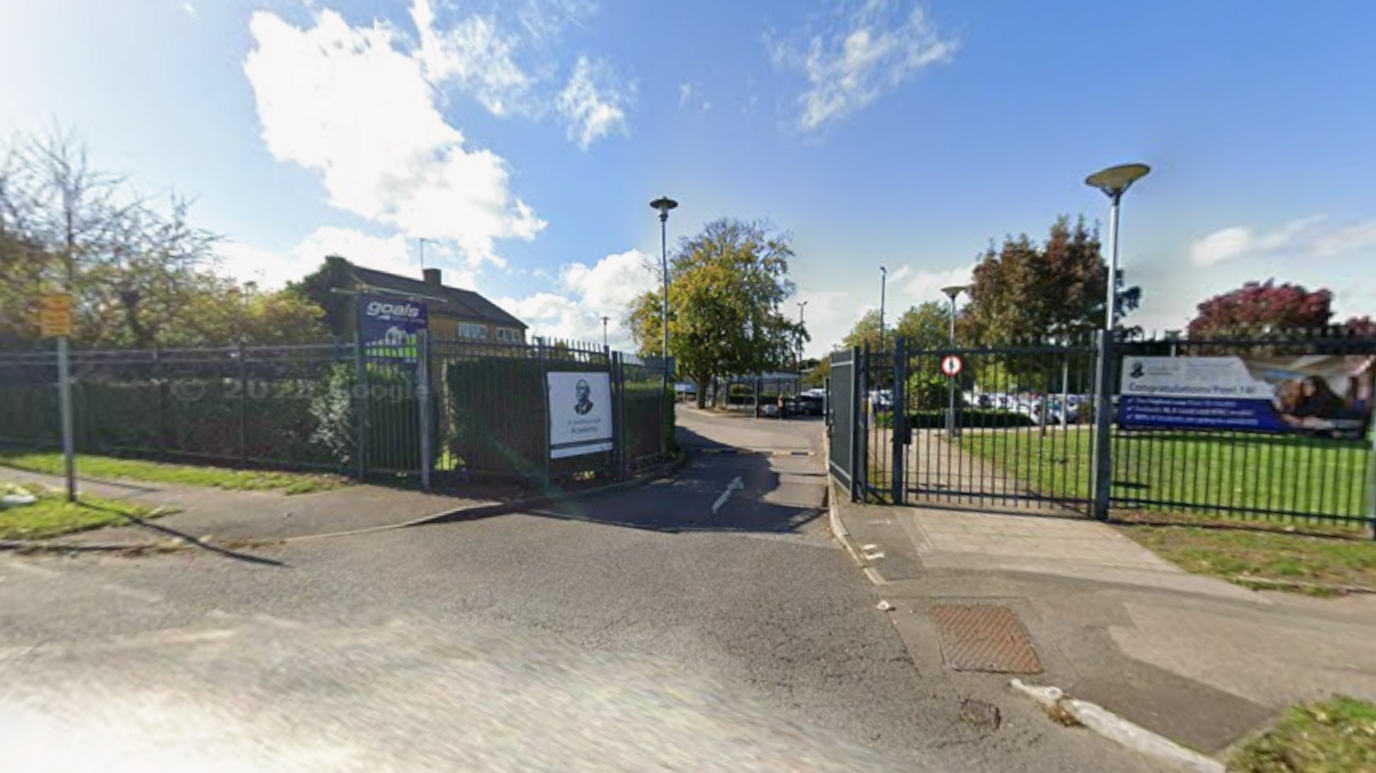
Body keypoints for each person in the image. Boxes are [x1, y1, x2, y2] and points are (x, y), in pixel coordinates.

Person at [1280, 376, 1345, 429]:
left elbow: (1321, 415)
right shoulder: (1308, 400)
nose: (1305, 388)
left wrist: (1300, 420)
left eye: (1308, 385)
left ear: (1317, 386)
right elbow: (1300, 413)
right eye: (1304, 386)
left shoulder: (1328, 399)